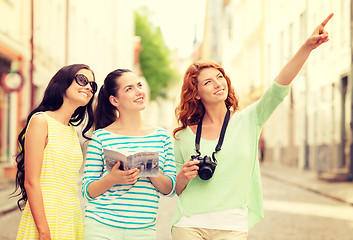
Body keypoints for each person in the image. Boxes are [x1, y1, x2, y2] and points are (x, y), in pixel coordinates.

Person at [171, 13, 333, 240]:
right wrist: (183, 177)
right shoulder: (182, 136)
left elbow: (278, 88)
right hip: (188, 223)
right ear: (196, 93)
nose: (218, 83)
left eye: (220, 77)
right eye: (208, 82)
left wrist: (306, 47)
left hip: (232, 225)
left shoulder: (249, 120)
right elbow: (176, 190)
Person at [81, 69, 176, 240]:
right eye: (129, 88)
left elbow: (169, 189)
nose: (139, 91)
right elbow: (87, 190)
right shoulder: (101, 136)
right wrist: (113, 179)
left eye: (139, 85)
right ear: (114, 100)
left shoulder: (162, 137)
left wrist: (151, 171)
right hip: (100, 227)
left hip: (143, 230)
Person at [14, 64, 97, 240]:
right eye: (82, 80)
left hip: (71, 217)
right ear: (63, 83)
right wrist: (44, 232)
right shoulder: (41, 121)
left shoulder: (72, 131)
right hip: (45, 220)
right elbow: (31, 182)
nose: (89, 87)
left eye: (92, 85)